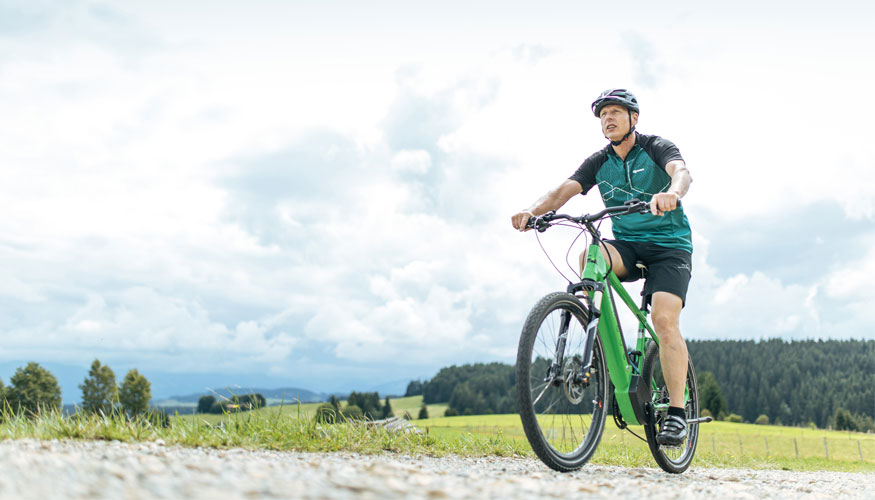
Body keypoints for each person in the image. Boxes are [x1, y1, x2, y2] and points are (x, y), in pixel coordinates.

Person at [510, 89, 693, 446]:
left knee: (665, 321)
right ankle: (599, 335)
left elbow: (681, 172)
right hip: (626, 245)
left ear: (633, 118)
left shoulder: (655, 147)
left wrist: (673, 192)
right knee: (589, 257)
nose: (608, 119)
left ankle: (676, 412)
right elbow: (563, 190)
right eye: (603, 114)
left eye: (615, 112)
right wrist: (532, 212)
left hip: (669, 249)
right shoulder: (599, 162)